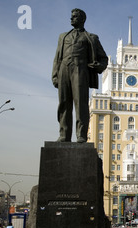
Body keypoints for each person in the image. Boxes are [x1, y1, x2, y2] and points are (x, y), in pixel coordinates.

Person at [52, 8, 108, 143]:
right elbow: (57, 58)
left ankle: (81, 135)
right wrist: (55, 75)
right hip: (64, 70)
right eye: (71, 16)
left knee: (81, 104)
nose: (71, 19)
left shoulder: (91, 38)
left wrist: (98, 66)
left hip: (80, 70)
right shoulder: (63, 36)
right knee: (64, 104)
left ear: (82, 19)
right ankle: (64, 135)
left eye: (75, 17)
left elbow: (103, 58)